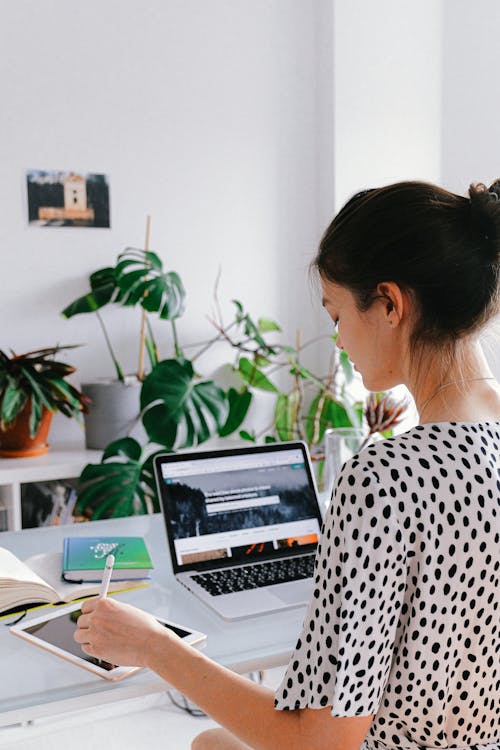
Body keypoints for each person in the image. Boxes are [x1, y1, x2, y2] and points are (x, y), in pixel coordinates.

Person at [74, 179, 500, 750]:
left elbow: (321, 743)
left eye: (337, 312)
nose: (340, 340)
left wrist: (154, 646)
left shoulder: (388, 476)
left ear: (390, 303)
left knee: (206, 744)